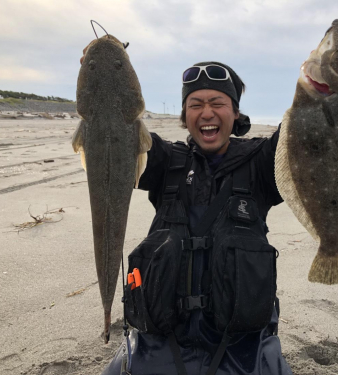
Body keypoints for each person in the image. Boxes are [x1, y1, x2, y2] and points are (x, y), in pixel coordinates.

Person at [97, 59, 292, 375]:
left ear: (236, 113)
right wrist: (106, 84)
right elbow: (117, 135)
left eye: (218, 103)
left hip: (241, 344)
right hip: (161, 340)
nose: (206, 113)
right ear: (185, 117)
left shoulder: (262, 162)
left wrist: (326, 86)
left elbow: (305, 133)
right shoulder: (164, 161)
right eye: (195, 104)